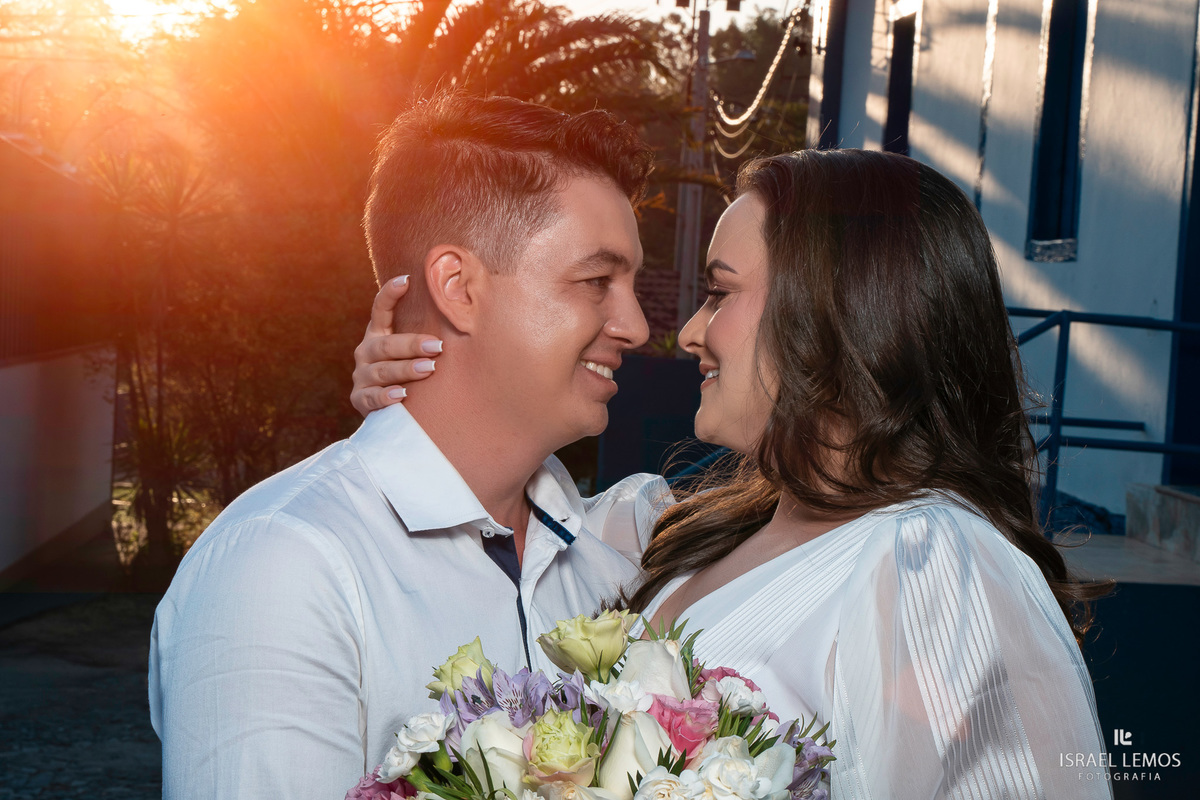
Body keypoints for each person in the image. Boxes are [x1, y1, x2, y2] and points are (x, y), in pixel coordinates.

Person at [351, 149, 1112, 798]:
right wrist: (422, 395)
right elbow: (497, 504)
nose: (687, 332)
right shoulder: (679, 532)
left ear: (837, 308)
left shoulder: (932, 563)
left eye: (719, 293)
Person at [148, 93, 671, 799]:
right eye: (596, 281)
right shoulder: (287, 567)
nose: (636, 326)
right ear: (458, 288)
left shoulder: (605, 569)